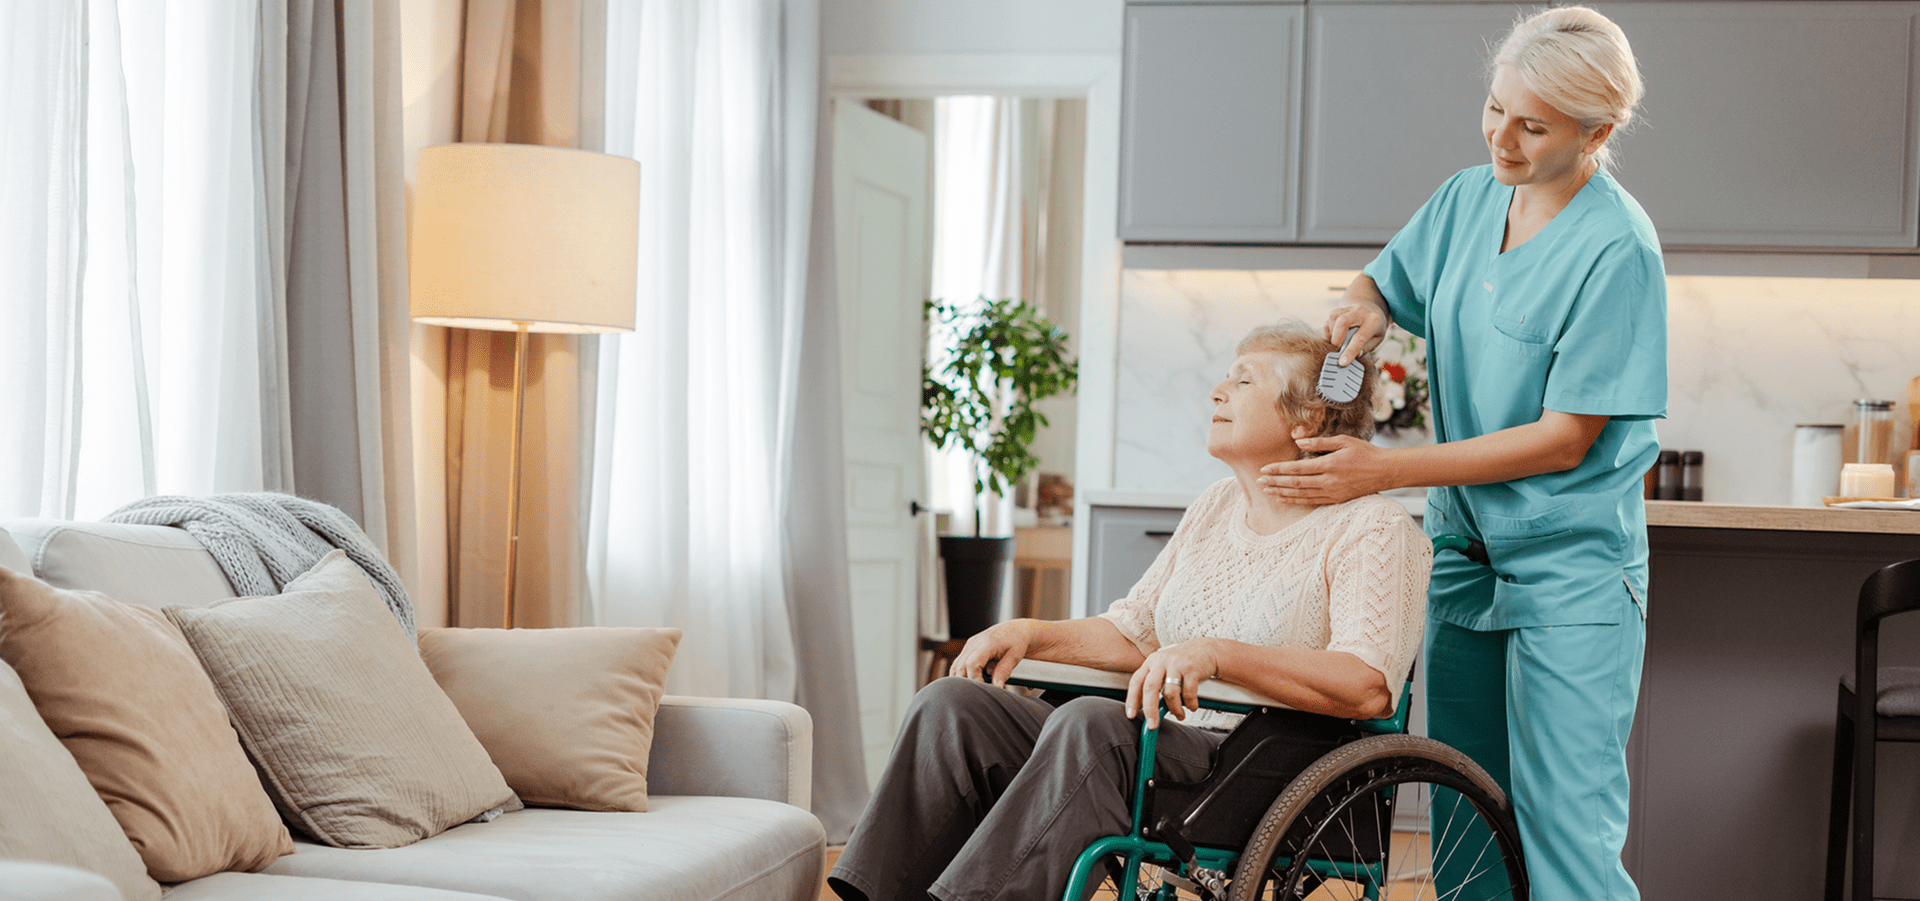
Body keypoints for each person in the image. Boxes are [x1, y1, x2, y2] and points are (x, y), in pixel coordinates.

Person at [1257, 7, 1666, 900]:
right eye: (1494, 108)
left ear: (1597, 133)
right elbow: (1384, 280)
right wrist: (1367, 304)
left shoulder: (1617, 249)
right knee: (1465, 828)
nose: (1502, 139)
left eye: (1533, 126)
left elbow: (1567, 439)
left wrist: (1387, 471)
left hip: (1572, 575)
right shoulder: (1467, 196)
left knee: (1567, 840)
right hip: (1467, 560)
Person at [828, 323, 1430, 901]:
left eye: (1244, 381)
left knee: (1090, 724)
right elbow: (1134, 632)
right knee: (951, 708)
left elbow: (1367, 686)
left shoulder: (1372, 527)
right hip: (1160, 742)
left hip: (1261, 761)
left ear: (1310, 417)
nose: (1217, 391)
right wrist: (1027, 633)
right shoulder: (1216, 507)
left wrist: (1215, 654)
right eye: (1225, 376)